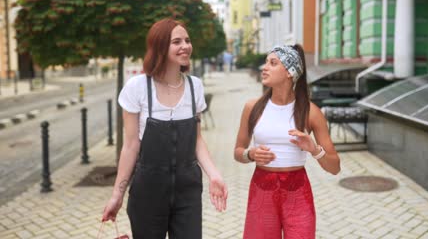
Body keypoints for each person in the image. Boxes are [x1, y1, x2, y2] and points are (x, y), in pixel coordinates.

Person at [102, 18, 228, 238]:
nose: (185, 46)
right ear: (160, 46)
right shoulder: (138, 87)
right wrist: (117, 194)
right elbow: (131, 145)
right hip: (148, 190)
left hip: (188, 190)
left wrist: (214, 175)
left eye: (187, 40)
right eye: (176, 41)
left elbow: (197, 140)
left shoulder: (194, 86)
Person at [234, 44, 340, 238]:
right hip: (261, 188)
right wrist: (250, 154)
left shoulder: (310, 112)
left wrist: (314, 149)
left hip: (297, 191)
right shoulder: (253, 107)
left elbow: (335, 167)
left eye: (272, 63)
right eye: (266, 62)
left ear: (290, 72)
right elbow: (238, 152)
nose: (264, 67)